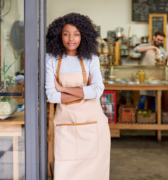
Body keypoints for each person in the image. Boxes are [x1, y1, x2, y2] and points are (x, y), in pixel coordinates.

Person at [45, 13, 110, 180]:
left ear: (84, 36)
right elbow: (52, 96)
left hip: (94, 127)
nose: (71, 38)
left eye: (76, 34)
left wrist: (62, 89)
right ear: (59, 35)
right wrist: (83, 91)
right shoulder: (51, 59)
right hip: (65, 126)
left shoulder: (91, 59)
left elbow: (97, 91)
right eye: (66, 33)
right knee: (65, 172)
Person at [134, 31, 168, 110]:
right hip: (144, 76)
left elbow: (162, 64)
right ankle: (139, 117)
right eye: (158, 39)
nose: (159, 42)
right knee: (143, 98)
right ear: (154, 37)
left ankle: (153, 118)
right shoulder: (145, 46)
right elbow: (136, 49)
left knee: (155, 99)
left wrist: (166, 58)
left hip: (156, 78)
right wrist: (152, 47)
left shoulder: (162, 50)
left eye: (161, 40)